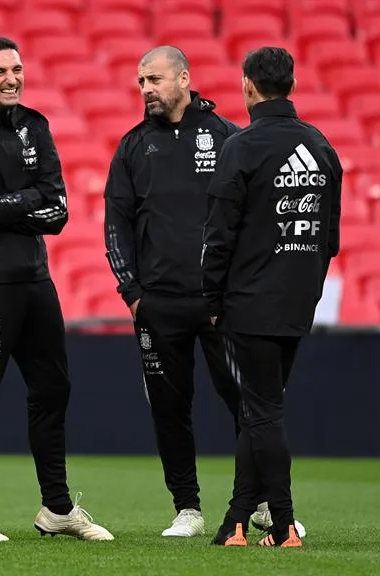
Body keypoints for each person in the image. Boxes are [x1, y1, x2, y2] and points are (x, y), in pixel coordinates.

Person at [0, 36, 113, 543]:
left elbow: (57, 211)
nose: (11, 79)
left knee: (53, 390)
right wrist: (15, 204)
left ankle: (56, 508)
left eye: (16, 69)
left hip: (36, 281)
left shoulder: (36, 124)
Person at [202, 46, 341, 548]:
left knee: (262, 412)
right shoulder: (320, 145)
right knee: (262, 408)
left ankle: (283, 524)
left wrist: (212, 299)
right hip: (297, 301)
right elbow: (329, 239)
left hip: (248, 303)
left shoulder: (241, 146)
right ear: (292, 86)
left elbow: (218, 236)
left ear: (247, 86)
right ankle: (235, 521)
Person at [103, 45, 242, 537]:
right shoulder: (134, 146)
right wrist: (132, 291)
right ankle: (188, 507)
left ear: (184, 78)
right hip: (158, 305)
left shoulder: (227, 138)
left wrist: (234, 290)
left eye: (155, 79)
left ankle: (261, 499)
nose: (147, 90)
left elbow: (249, 219)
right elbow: (116, 223)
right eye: (141, 81)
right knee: (169, 410)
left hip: (220, 305)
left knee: (247, 402)